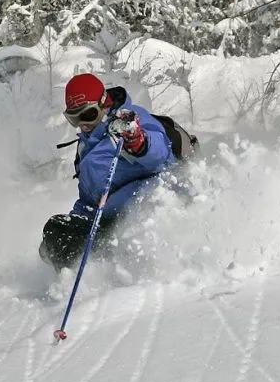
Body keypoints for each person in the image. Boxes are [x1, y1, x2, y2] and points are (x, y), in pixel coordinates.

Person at [39, 72, 178, 272]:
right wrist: (72, 227)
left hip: (147, 212)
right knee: (56, 230)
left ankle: (121, 276)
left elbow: (163, 156)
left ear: (104, 103)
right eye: (74, 118)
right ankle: (77, 283)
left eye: (88, 114)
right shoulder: (85, 147)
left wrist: (139, 142)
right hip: (108, 220)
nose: (82, 124)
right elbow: (89, 200)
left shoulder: (129, 121)